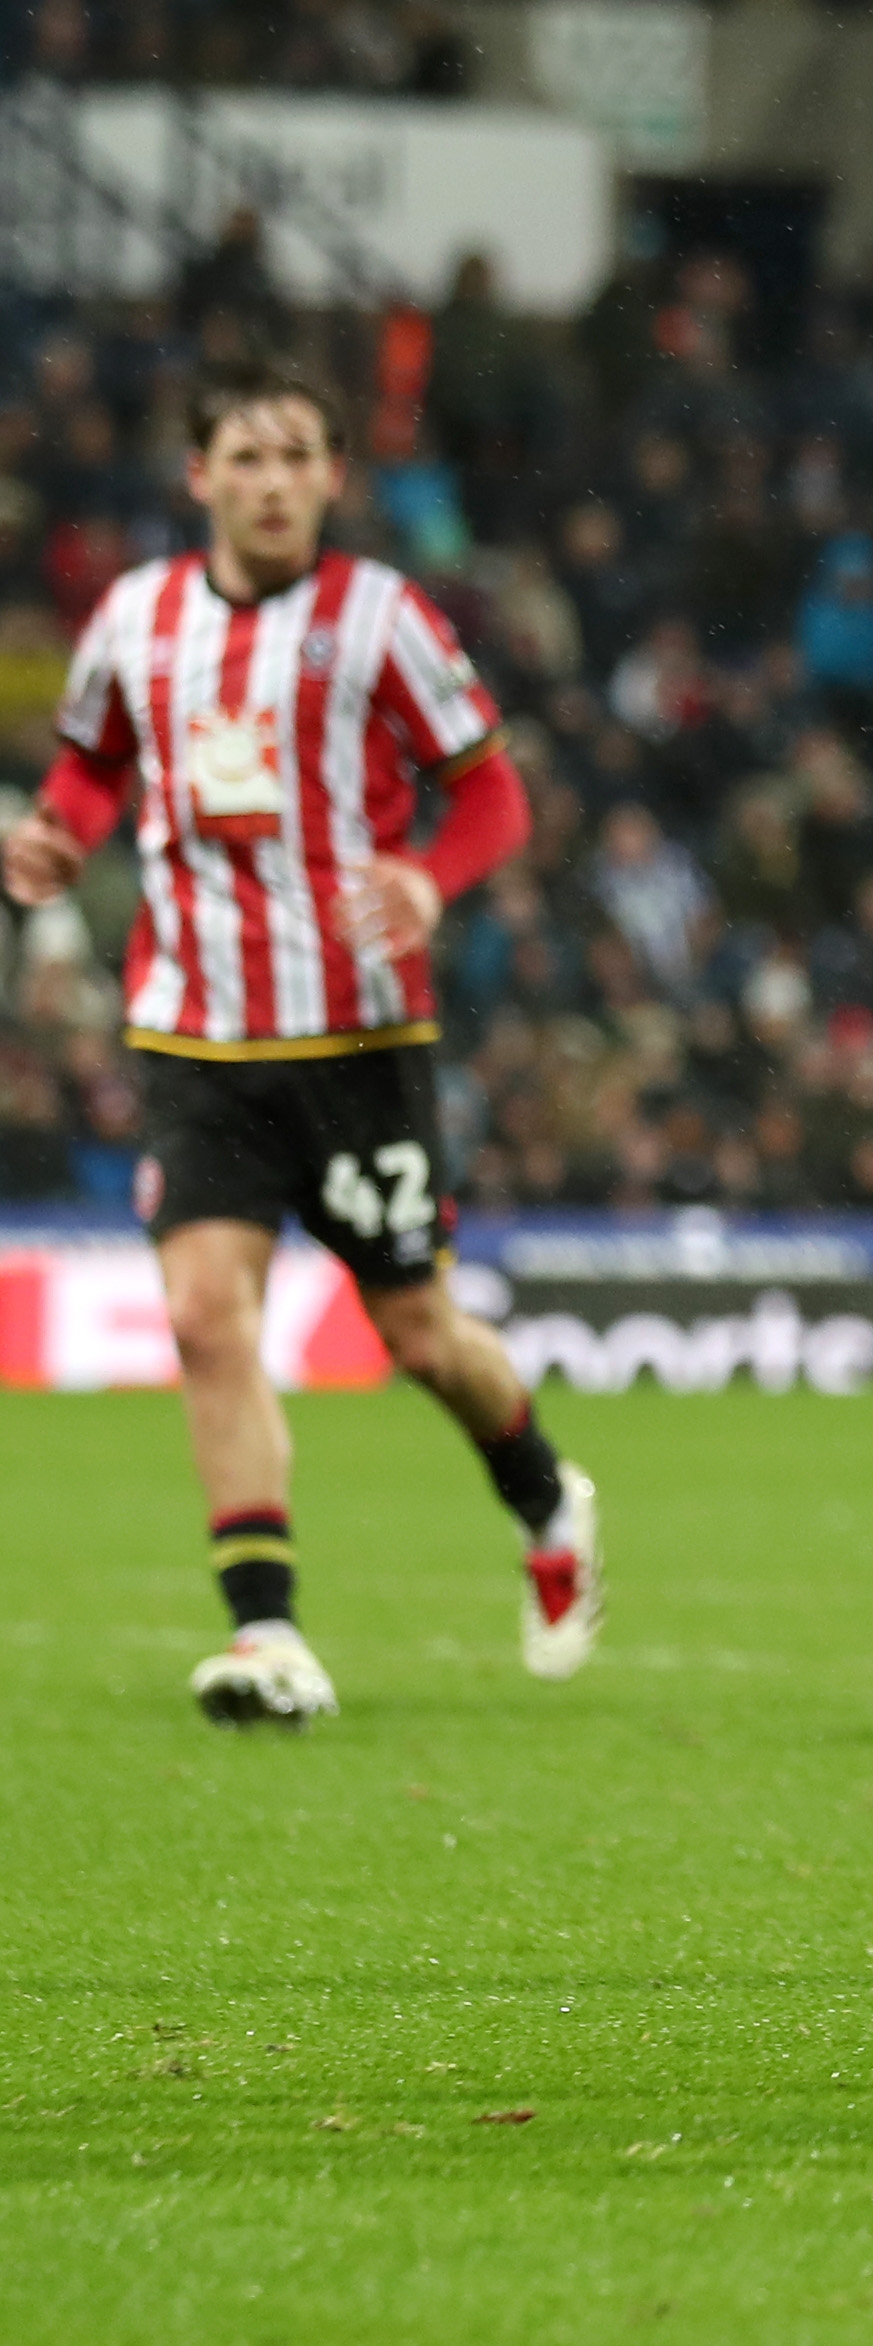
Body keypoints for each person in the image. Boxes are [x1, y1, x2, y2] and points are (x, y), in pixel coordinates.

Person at [1, 360, 600, 1727]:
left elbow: (489, 788)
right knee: (208, 1318)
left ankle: (544, 1495)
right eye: (245, 458)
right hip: (193, 1031)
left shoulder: (381, 618)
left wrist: (433, 882)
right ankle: (267, 1635)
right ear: (199, 474)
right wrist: (59, 831)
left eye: (296, 459)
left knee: (418, 1333)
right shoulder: (135, 619)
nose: (270, 482)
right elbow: (94, 758)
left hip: (355, 1037)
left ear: (334, 478)